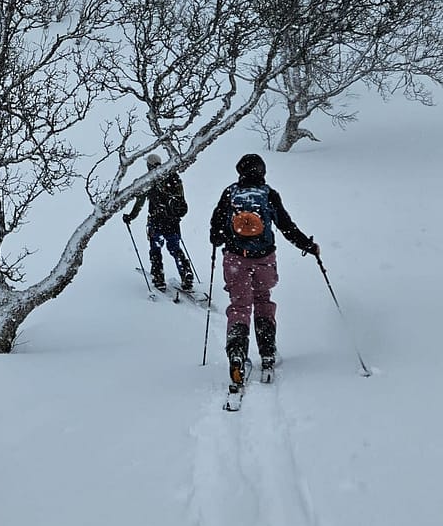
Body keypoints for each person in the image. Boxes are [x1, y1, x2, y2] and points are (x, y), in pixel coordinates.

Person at [208, 153, 318, 390]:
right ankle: (267, 353)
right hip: (264, 259)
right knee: (263, 301)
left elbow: (215, 231)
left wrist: (222, 238)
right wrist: (308, 246)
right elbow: (286, 227)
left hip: (235, 259)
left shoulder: (230, 194)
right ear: (262, 171)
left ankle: (237, 356)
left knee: (239, 307)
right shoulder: (268, 194)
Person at [124, 153, 193, 293]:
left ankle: (159, 278)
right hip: (173, 221)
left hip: (156, 221)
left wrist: (130, 217)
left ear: (149, 165)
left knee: (156, 250)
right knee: (175, 248)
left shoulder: (149, 181)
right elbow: (181, 199)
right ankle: (186, 274)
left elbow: (140, 204)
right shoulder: (173, 177)